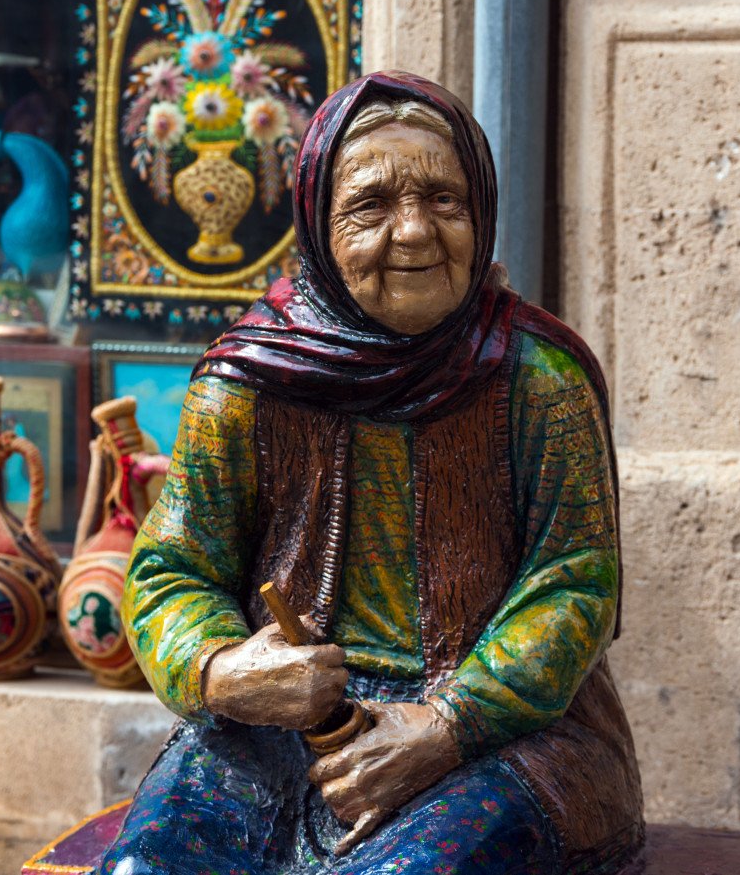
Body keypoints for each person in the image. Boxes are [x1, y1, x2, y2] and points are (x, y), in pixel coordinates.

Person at [98, 72, 644, 874]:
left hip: (503, 736)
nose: (416, 232)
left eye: (444, 200)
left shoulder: (536, 378)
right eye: (372, 205)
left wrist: (449, 720)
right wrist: (221, 667)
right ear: (320, 224)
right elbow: (171, 567)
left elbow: (577, 582)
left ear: (481, 209)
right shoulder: (248, 382)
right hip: (282, 728)